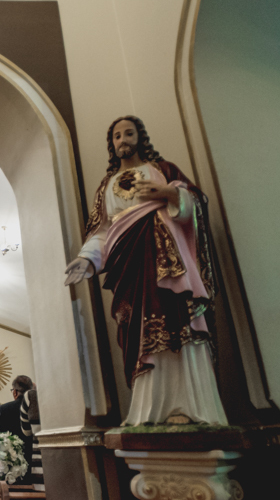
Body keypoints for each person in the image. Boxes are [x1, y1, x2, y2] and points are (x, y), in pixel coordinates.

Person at [64, 115, 226, 426]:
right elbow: (102, 231)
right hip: (130, 269)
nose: (123, 140)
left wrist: (170, 195)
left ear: (140, 137)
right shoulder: (106, 186)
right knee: (138, 334)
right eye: (117, 136)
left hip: (169, 264)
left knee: (180, 324)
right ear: (111, 144)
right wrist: (87, 258)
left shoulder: (163, 170)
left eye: (129, 133)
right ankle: (149, 411)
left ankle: (189, 406)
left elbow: (194, 204)